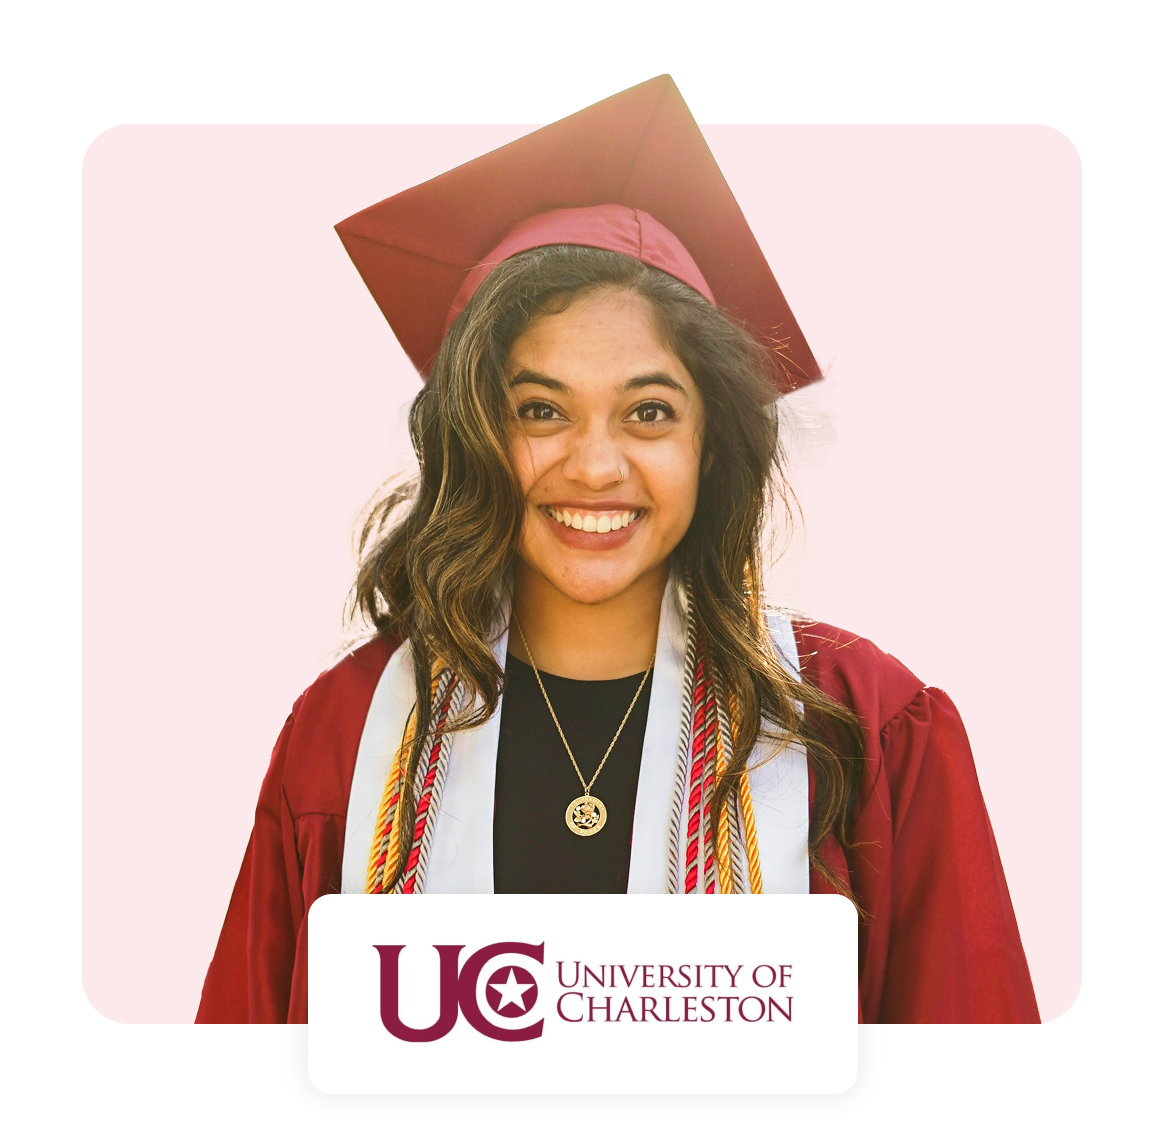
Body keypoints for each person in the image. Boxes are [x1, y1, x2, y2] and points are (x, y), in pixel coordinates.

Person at [195, 78, 1040, 1025]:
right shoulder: (349, 733)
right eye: (540, 410)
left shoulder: (861, 726)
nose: (595, 466)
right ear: (475, 432)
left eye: (648, 412)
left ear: (709, 442)